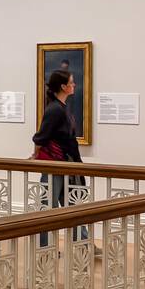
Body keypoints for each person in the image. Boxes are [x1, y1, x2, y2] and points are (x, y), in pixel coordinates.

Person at [31, 69, 90, 248]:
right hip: (56, 165)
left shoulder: (60, 107)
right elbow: (40, 137)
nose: (74, 85)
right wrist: (35, 155)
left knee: (72, 204)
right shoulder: (55, 109)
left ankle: (83, 243)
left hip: (66, 164)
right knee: (48, 206)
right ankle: (45, 247)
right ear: (63, 87)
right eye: (71, 83)